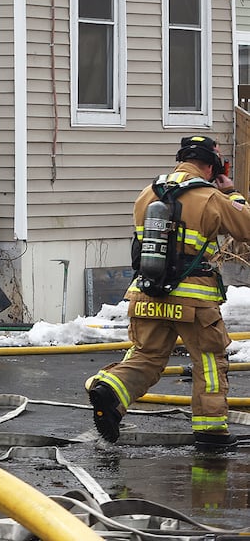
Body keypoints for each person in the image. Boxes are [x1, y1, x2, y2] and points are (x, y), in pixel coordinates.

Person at [86, 135, 250, 452]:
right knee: (209, 362)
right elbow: (245, 226)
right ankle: (212, 431)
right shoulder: (209, 196)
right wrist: (232, 193)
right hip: (194, 300)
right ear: (211, 166)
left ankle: (111, 390)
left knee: (146, 356)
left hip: (146, 295)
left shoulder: (148, 194)